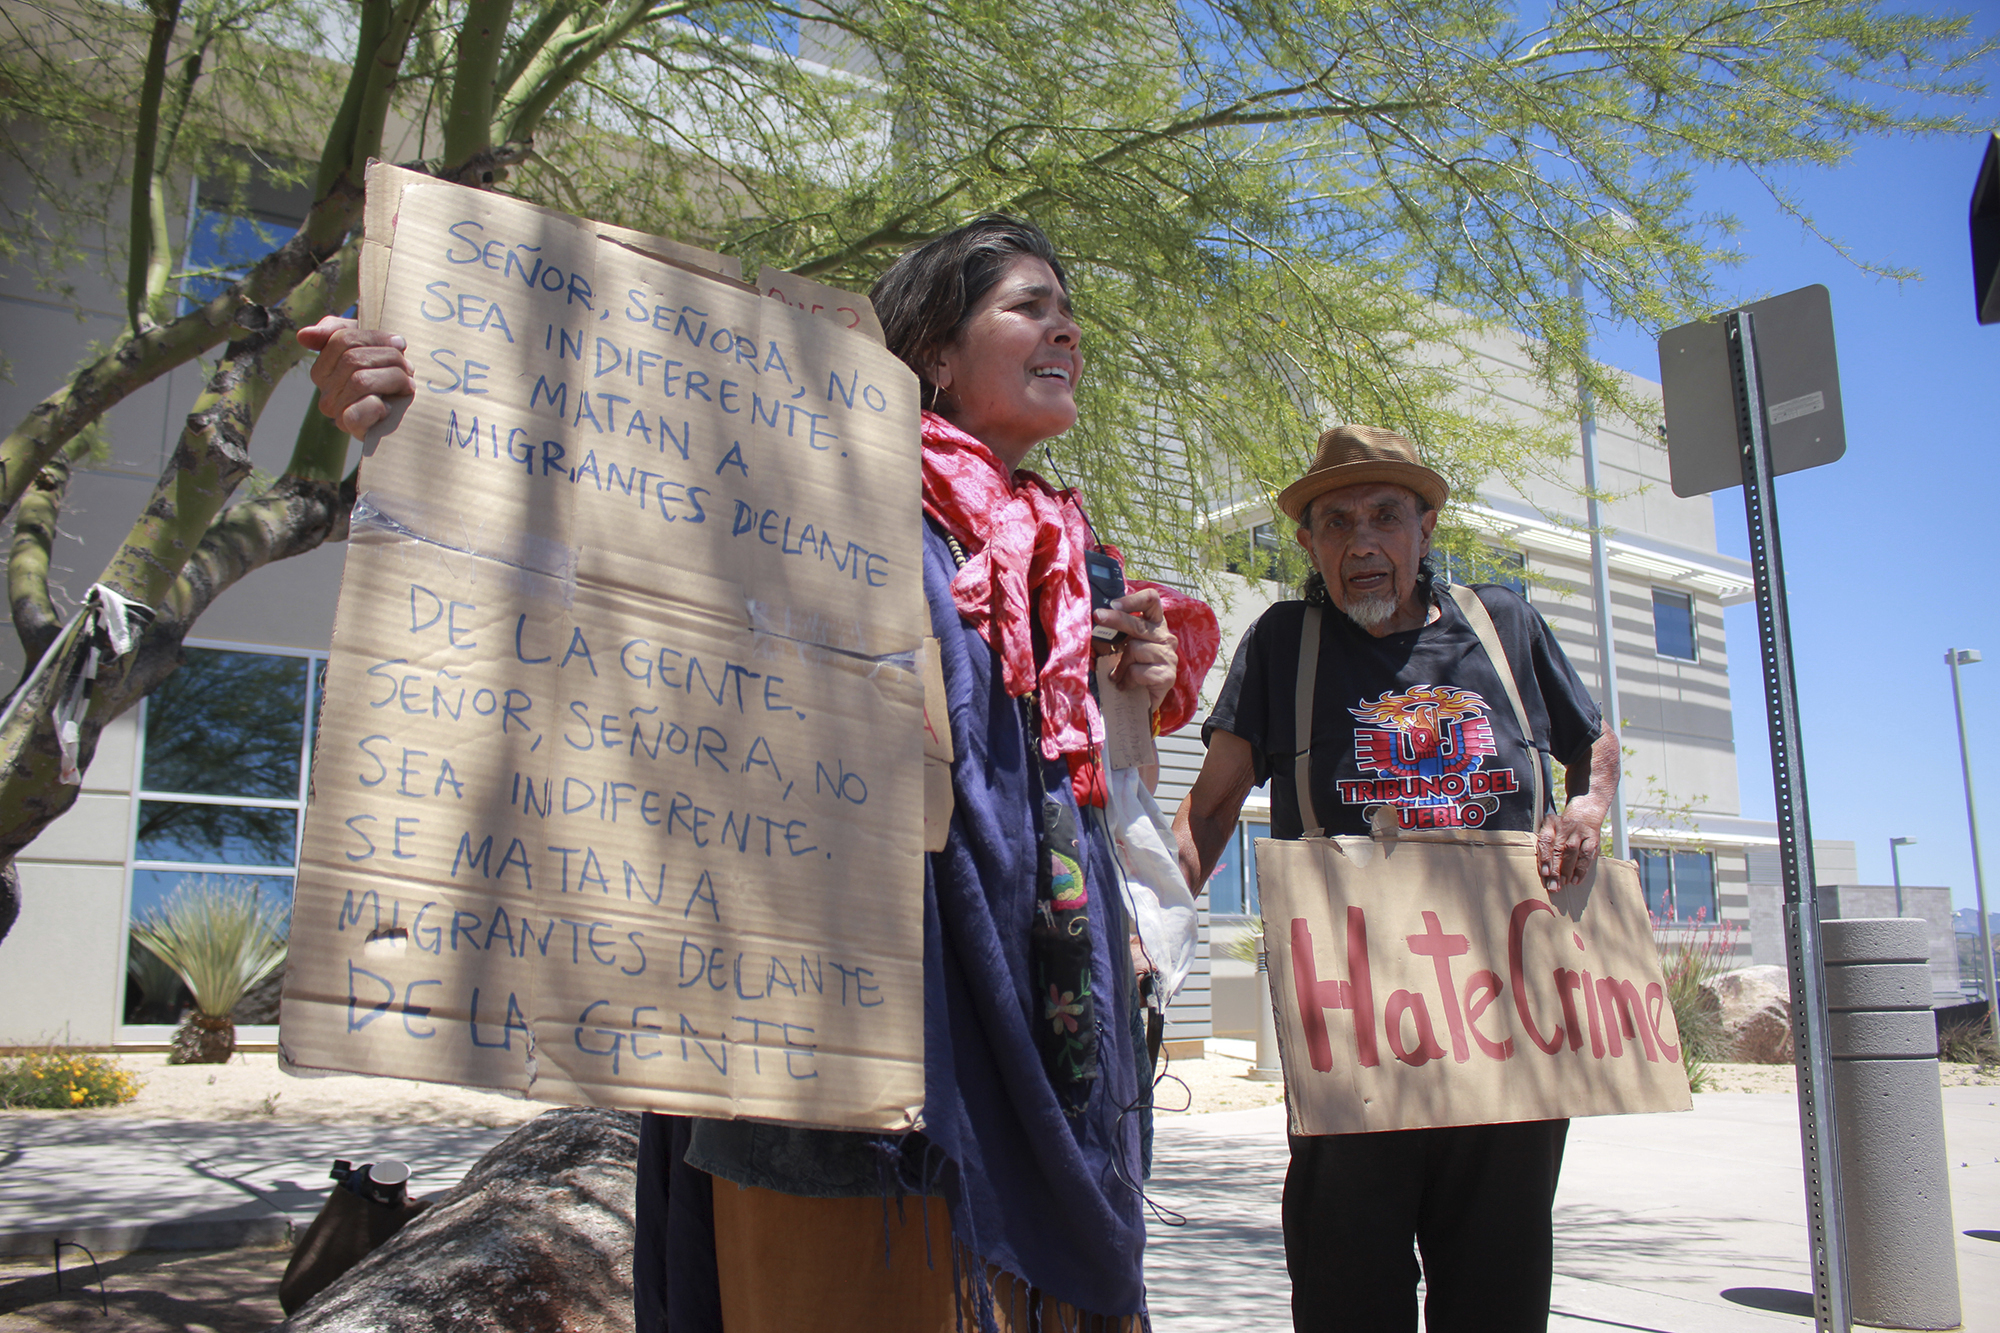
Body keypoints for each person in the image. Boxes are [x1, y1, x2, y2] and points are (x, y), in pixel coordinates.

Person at [300, 213, 1218, 1331]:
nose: (1064, 327)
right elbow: (587, 506)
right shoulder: (808, 492)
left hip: (1046, 1023)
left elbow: (1067, 795)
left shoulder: (1069, 552)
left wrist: (1124, 698)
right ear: (932, 352)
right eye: (1027, 306)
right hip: (846, 1045)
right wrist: (408, 406)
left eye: (1067, 310)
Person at [1172, 424, 1619, 1333]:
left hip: (1506, 1030)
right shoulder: (1283, 644)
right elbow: (1210, 809)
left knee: (1496, 1298)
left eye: (1385, 516)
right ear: (1308, 545)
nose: (1361, 542)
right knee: (1348, 1299)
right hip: (1356, 1033)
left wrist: (1587, 811)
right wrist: (1142, 932)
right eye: (1335, 523)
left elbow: (1594, 745)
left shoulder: (1507, 626)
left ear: (1425, 528)